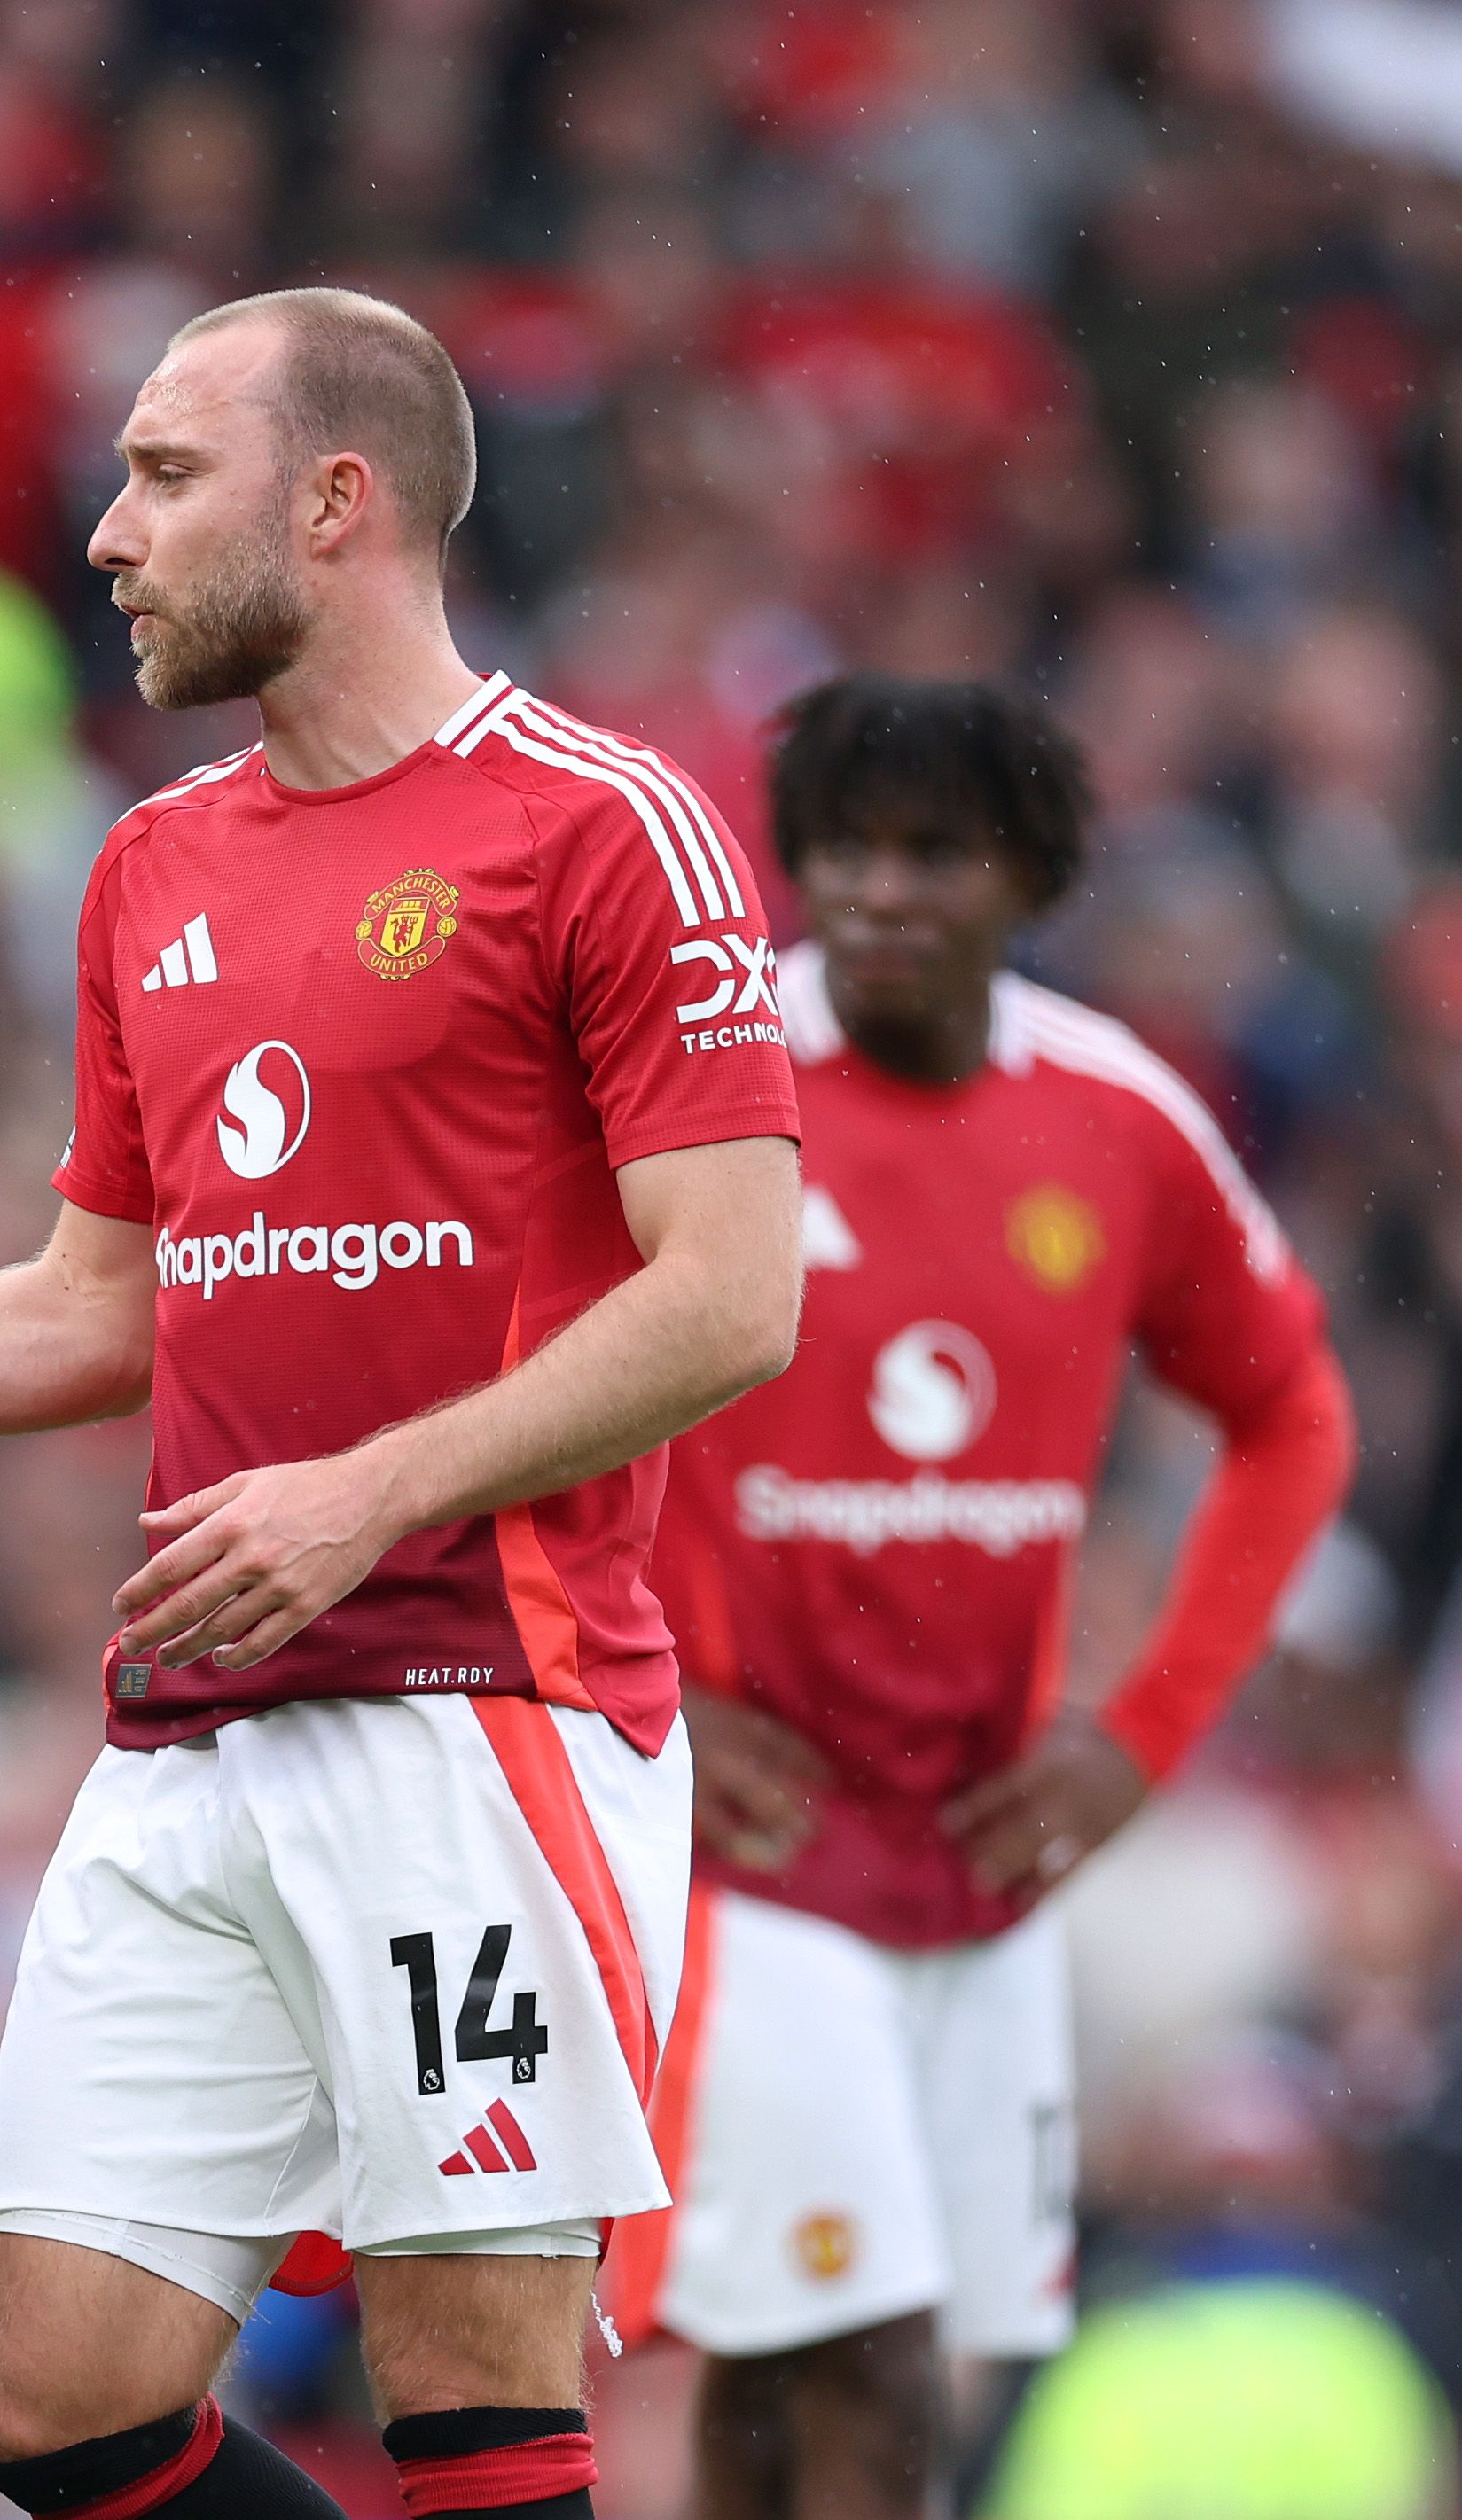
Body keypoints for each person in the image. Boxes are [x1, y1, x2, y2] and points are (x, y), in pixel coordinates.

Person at [0, 287, 806, 2520]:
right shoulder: (153, 870)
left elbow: (734, 1298)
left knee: (471, 2392)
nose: (107, 536)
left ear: (342, 500)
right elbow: (102, 1302)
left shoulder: (605, 830)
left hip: (480, 1712)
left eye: (161, 476)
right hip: (197, 1723)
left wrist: (364, 1495)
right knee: (57, 2400)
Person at [621, 676, 1354, 2518]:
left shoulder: (1116, 1116)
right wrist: (636, 1691)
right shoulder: (708, 1085)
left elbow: (1294, 1417)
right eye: (845, 851)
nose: (879, 892)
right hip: (755, 1850)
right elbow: (509, 1384)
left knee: (858, 2355)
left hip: (987, 1853)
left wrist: (1144, 1740)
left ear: (1028, 876)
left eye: (933, 853)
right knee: (848, 2353)